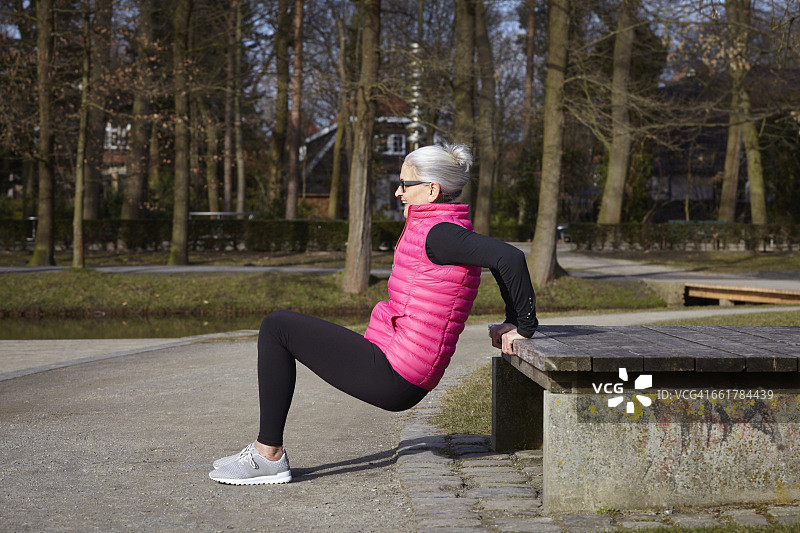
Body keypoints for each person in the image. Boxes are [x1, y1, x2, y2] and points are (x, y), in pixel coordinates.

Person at [209, 143, 538, 485]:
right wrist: (511, 319)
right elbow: (501, 260)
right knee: (279, 327)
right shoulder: (441, 228)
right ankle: (266, 453)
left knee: (277, 327)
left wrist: (524, 326)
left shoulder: (441, 233)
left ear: (431, 189)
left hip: (397, 375)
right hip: (393, 360)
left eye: (404, 184)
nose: (398, 192)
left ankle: (268, 455)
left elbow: (510, 258)